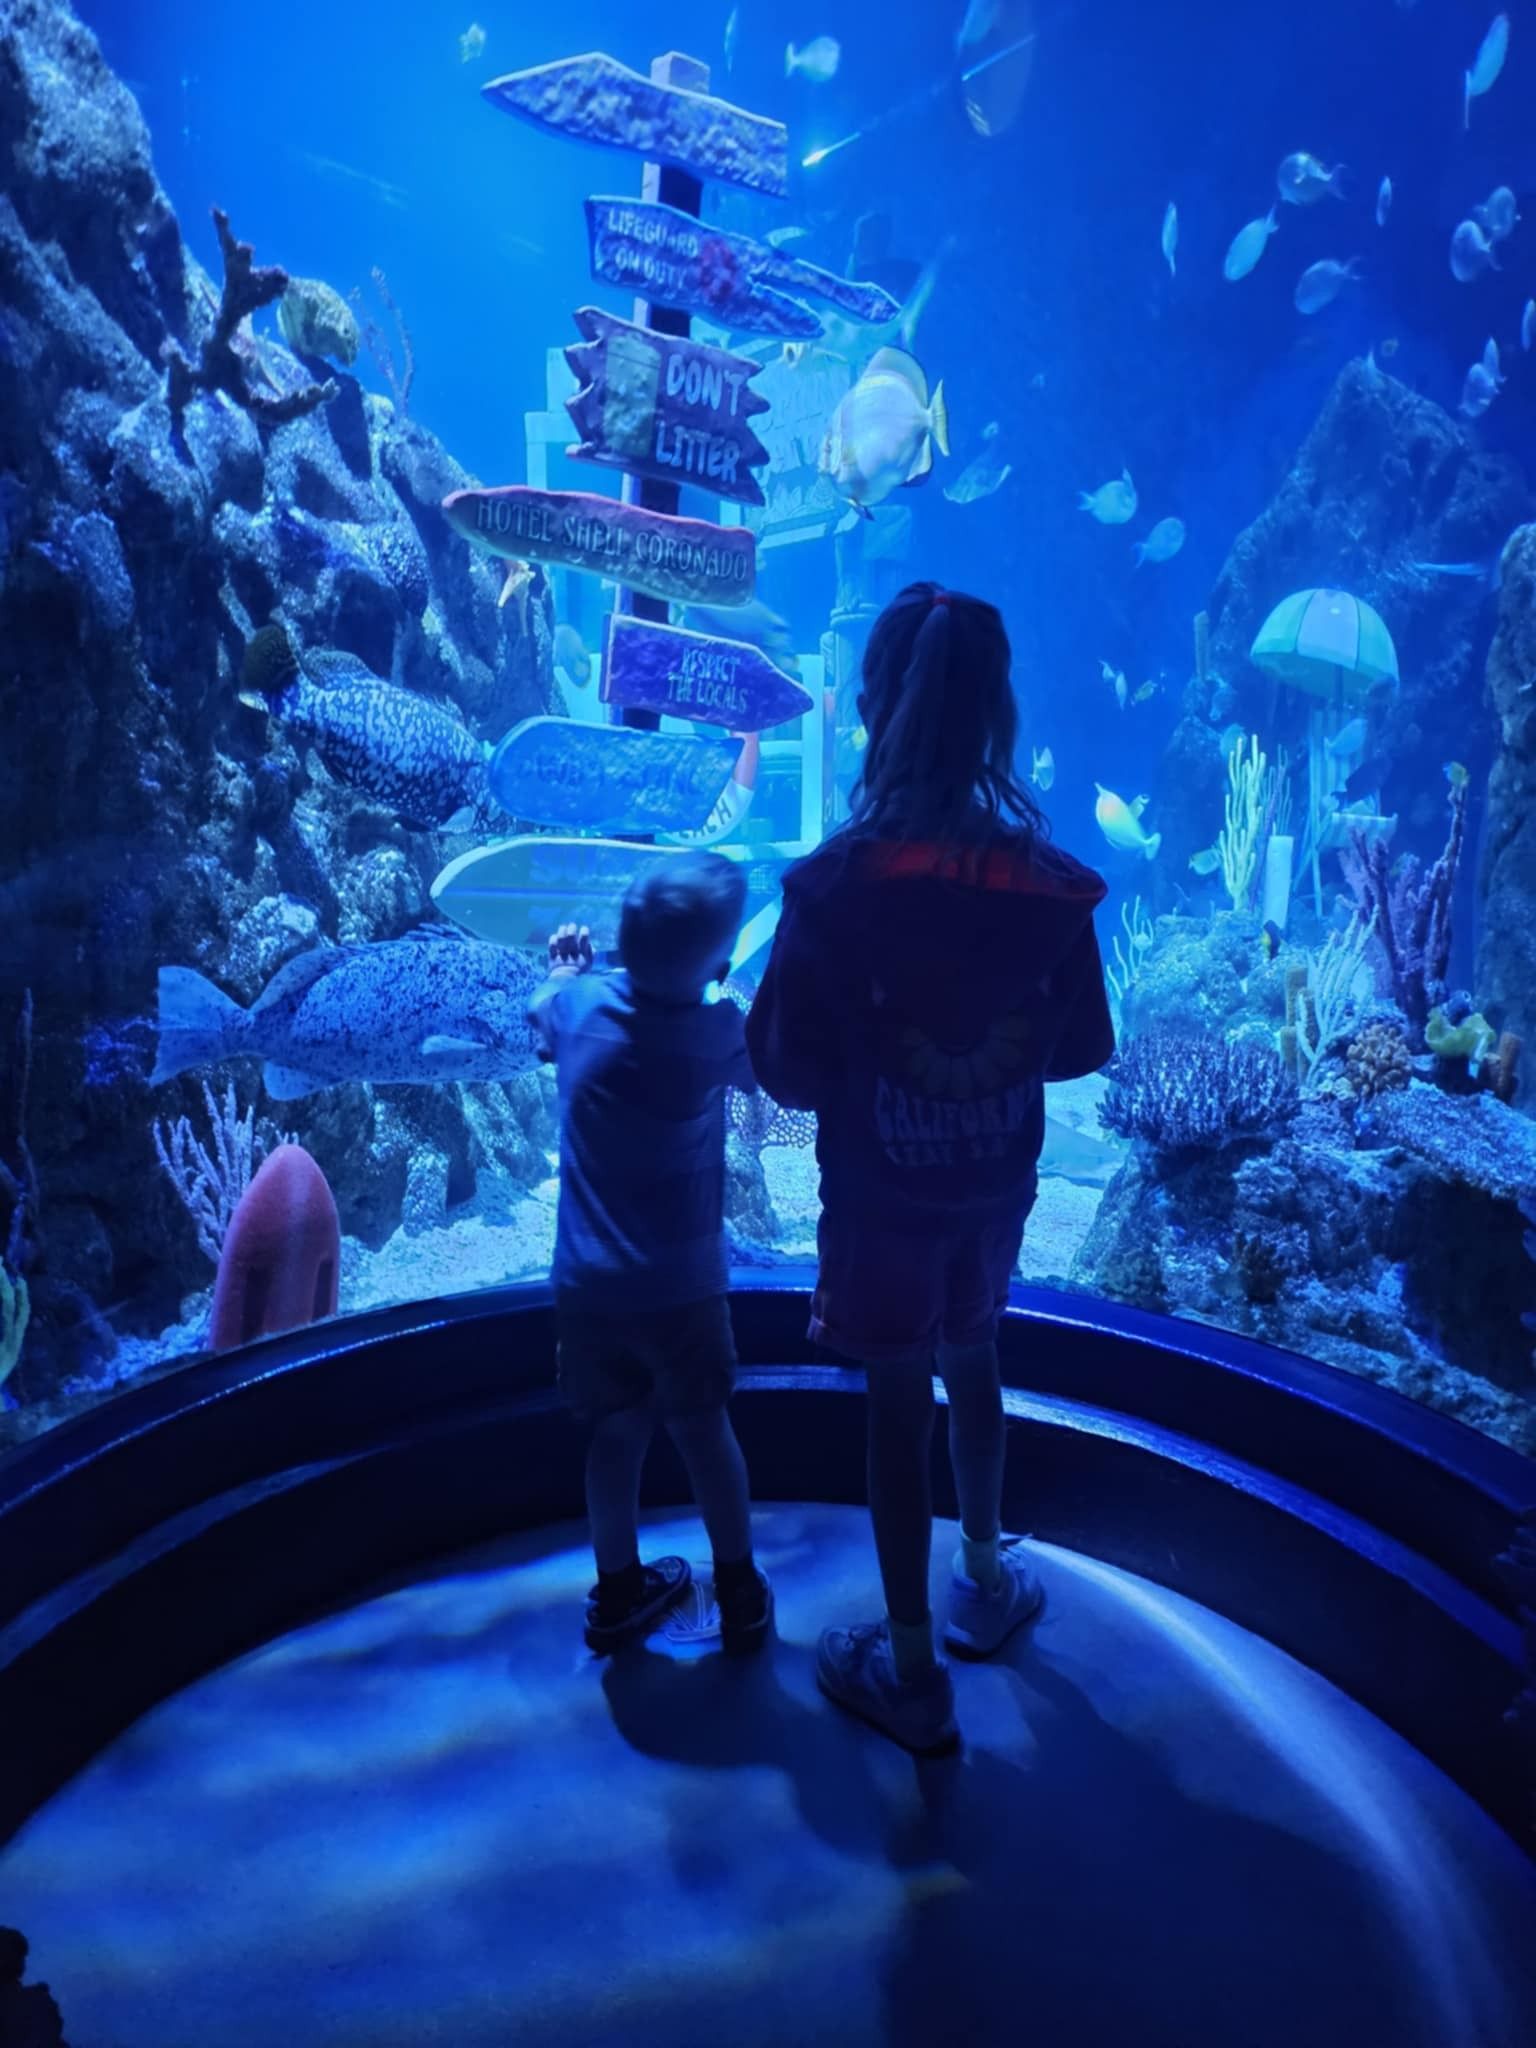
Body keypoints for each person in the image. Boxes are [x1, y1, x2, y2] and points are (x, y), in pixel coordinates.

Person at [746, 581, 1114, 1752]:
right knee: (979, 1362)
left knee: (897, 1411)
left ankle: (911, 1671)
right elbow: (1088, 1045)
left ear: (869, 709)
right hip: (994, 1190)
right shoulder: (1047, 886)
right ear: (999, 713)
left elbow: (784, 1065)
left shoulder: (835, 886)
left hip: (881, 1203)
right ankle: (988, 1577)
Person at [531, 852, 772, 1658]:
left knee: (613, 1438)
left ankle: (619, 1591)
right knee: (706, 1433)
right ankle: (738, 1589)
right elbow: (767, 1068)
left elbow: (547, 1010)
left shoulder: (576, 1010)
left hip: (592, 1291)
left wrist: (570, 968)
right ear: (719, 961)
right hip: (683, 1296)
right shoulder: (714, 1034)